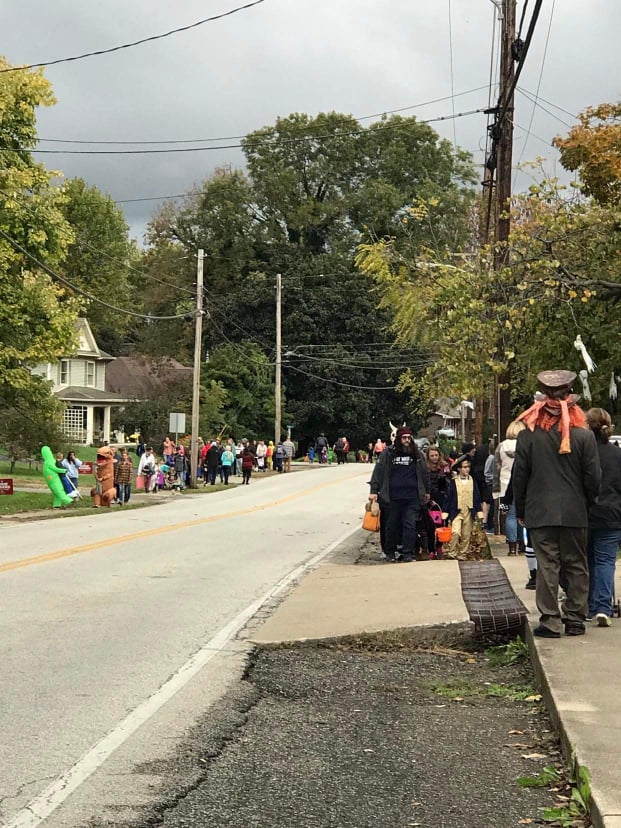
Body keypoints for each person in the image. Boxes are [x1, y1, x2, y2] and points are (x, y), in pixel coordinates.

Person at [513, 370, 600, 638]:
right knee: (576, 564)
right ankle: (575, 618)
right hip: (575, 511)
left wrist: (521, 509)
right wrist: (588, 503)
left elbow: (520, 476)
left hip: (540, 512)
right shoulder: (584, 436)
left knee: (547, 565)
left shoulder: (528, 436)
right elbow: (593, 477)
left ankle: (550, 620)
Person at [369, 426, 429, 563]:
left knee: (410, 525)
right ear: (398, 439)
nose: (407, 440)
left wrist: (427, 491)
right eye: (404, 438)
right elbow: (378, 471)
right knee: (391, 525)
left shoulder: (417, 454)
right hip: (392, 497)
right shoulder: (388, 453)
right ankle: (390, 552)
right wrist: (373, 491)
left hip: (412, 497)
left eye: (409, 438)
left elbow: (424, 473)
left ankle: (408, 554)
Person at [585, 408, 621, 627]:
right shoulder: (617, 455)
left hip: (587, 514)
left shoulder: (583, 454)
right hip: (612, 514)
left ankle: (590, 605)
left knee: (587, 560)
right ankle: (603, 607)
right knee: (606, 561)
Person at [493, 420, 526, 555]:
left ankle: (512, 547)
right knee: (522, 515)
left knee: (510, 516)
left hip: (504, 484)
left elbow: (496, 467)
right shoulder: (525, 446)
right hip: (522, 484)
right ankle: (523, 545)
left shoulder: (501, 446)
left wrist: (495, 490)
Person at [445, 455, 483, 558]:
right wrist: (445, 511)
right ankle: (452, 552)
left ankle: (462, 553)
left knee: (466, 534)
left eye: (468, 467)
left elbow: (476, 497)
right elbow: (449, 498)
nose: (467, 469)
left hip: (468, 511)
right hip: (456, 511)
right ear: (459, 468)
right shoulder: (454, 481)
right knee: (455, 532)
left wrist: (479, 511)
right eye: (464, 467)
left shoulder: (472, 481)